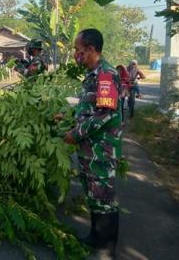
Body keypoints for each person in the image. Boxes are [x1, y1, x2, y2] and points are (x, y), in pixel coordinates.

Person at [63, 28, 122, 258]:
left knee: (104, 197)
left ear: (90, 50)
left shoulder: (106, 75)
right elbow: (88, 110)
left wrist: (76, 134)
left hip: (102, 149)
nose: (76, 55)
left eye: (78, 50)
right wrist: (69, 118)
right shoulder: (92, 74)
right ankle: (96, 237)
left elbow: (105, 114)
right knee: (93, 194)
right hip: (90, 149)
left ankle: (107, 249)